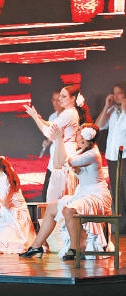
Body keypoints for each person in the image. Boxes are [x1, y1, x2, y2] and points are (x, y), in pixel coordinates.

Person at [20, 123, 112, 260]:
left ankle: (74, 249)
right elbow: (58, 164)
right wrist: (59, 141)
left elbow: (65, 161)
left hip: (96, 196)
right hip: (83, 195)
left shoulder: (92, 154)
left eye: (79, 133)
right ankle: (36, 246)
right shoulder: (81, 152)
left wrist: (59, 139)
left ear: (85, 138)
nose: (77, 136)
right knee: (52, 208)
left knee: (69, 210)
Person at [24, 84, 91, 202]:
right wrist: (39, 119)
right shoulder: (71, 112)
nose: (60, 99)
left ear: (73, 99)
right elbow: (52, 124)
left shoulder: (68, 114)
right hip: (64, 155)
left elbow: (49, 133)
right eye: (60, 96)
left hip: (64, 156)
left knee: (58, 198)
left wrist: (35, 117)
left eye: (63, 96)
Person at [95, 81, 126, 233]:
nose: (116, 96)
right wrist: (106, 106)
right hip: (113, 156)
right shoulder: (113, 110)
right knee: (117, 190)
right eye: (114, 93)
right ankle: (120, 227)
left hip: (124, 155)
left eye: (119, 93)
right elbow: (98, 125)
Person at [40, 90, 64, 201]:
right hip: (52, 163)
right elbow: (51, 134)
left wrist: (37, 119)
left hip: (62, 163)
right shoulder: (52, 116)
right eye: (53, 100)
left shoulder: (68, 117)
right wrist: (48, 141)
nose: (55, 103)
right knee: (46, 195)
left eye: (58, 100)